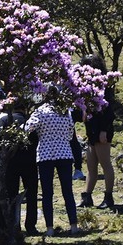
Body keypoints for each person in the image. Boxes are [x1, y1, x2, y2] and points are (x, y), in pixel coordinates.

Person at [0, 94, 40, 238]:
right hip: (29, 161)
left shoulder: (4, 119)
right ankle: (31, 226)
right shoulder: (29, 121)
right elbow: (36, 141)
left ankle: (14, 224)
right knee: (31, 194)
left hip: (11, 163)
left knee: (12, 195)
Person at [24, 87, 81, 236]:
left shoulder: (40, 111)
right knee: (67, 191)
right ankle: (73, 225)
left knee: (47, 192)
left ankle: (49, 228)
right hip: (65, 153)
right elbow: (70, 134)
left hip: (45, 154)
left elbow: (28, 128)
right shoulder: (65, 111)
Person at [81, 56, 117, 209]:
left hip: (102, 129)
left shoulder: (104, 85)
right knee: (91, 165)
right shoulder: (88, 86)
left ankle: (108, 197)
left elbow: (109, 111)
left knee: (105, 163)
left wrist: (104, 130)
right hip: (92, 129)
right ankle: (87, 196)